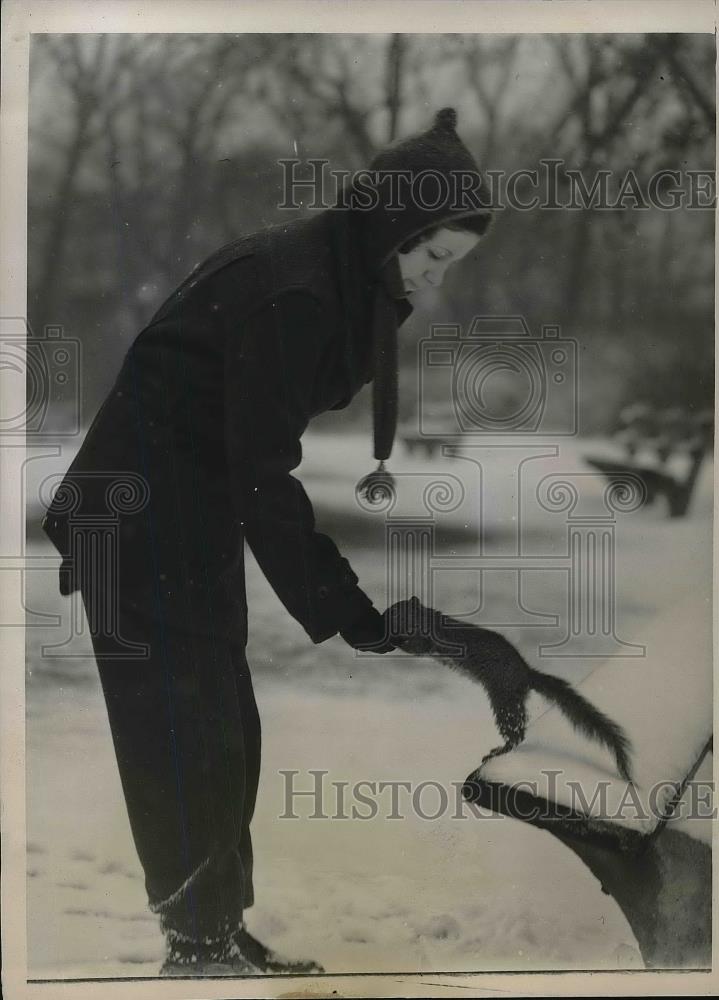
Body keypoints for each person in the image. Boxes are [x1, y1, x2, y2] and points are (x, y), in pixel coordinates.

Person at [41, 107, 493, 976]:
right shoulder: (297, 290)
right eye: (432, 259)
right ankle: (197, 946)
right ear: (393, 228)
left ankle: (215, 931)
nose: (435, 284)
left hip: (181, 511)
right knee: (183, 731)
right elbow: (262, 474)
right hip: (134, 520)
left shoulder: (331, 270)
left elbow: (247, 457)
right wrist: (347, 610)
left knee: (223, 728)